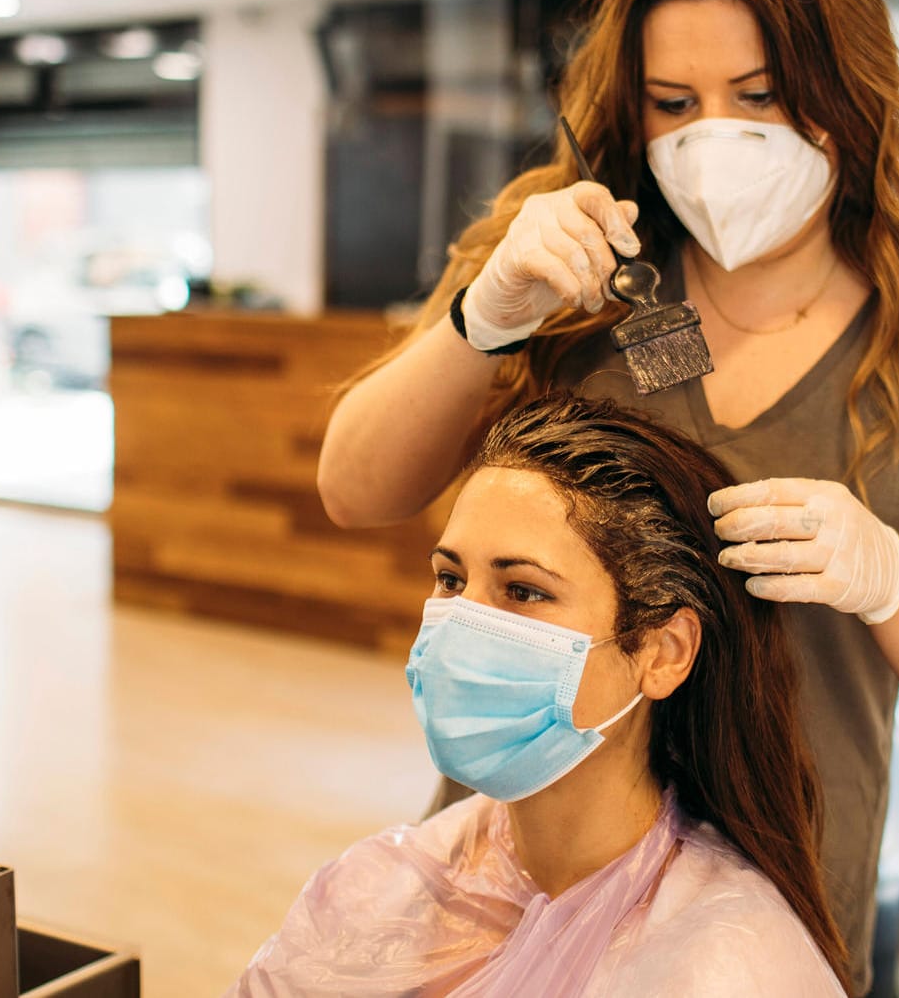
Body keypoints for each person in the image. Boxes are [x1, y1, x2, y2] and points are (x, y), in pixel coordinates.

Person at [316, 0, 899, 991]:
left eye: (759, 96)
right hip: (514, 889)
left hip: (767, 915)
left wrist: (890, 581)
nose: (715, 138)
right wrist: (488, 316)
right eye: (675, 104)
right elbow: (354, 488)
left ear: (848, 87)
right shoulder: (566, 260)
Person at [232, 393, 848, 996]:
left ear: (664, 652)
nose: (459, 626)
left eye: (522, 591)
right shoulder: (386, 885)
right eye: (450, 579)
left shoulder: (729, 963)